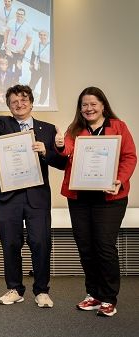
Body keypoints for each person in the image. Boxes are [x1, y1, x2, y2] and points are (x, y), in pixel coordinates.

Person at [0, 84, 67, 308]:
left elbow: (62, 162)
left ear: (32, 103)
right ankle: (14, 288)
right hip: (8, 195)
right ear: (9, 106)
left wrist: (46, 151)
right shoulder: (3, 124)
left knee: (41, 242)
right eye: (14, 101)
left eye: (24, 100)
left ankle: (42, 291)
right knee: (10, 243)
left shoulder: (49, 129)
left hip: (37, 196)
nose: (19, 104)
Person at [55, 87, 137, 317]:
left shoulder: (118, 126)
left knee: (104, 246)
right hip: (80, 198)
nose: (88, 109)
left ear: (102, 105)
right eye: (84, 105)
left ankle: (109, 297)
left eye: (93, 104)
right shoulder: (74, 129)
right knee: (86, 247)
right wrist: (61, 145)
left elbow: (130, 156)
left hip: (110, 198)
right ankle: (93, 294)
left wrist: (119, 179)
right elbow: (67, 150)